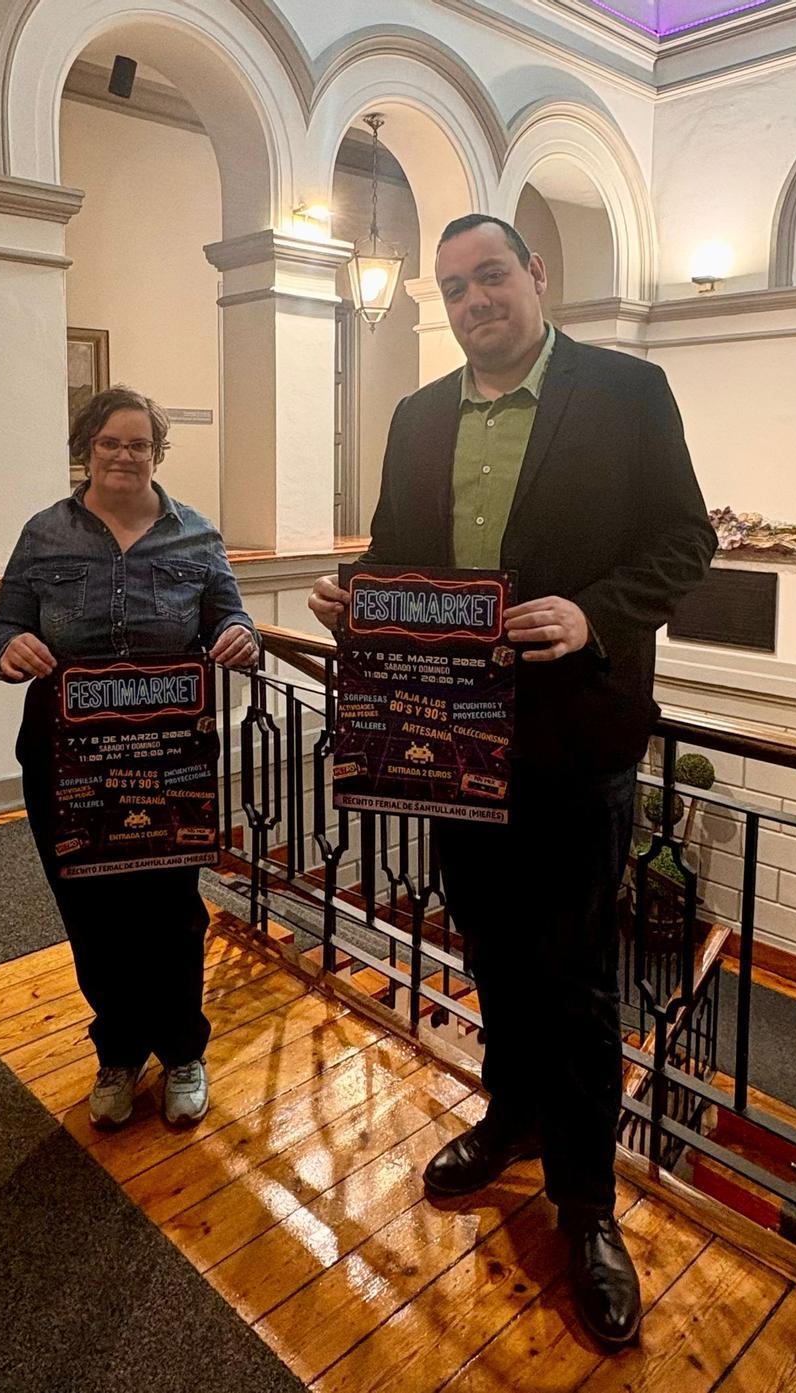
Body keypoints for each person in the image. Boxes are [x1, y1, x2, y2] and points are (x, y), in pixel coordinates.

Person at [308, 214, 716, 1348]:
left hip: (577, 738)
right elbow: (397, 546)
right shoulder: (419, 413)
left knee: (579, 982)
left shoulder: (628, 391)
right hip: (449, 739)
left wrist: (595, 613)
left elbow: (686, 544)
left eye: (492, 274)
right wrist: (351, 591)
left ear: (537, 275)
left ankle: (587, 1207)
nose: (473, 298)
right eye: (454, 285)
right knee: (488, 947)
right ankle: (515, 1120)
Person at [0, 386, 259, 1131]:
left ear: (156, 454)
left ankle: (182, 1051)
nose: (124, 455)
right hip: (66, 756)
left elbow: (231, 614)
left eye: (139, 444)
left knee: (171, 908)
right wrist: (9, 647)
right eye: (110, 442)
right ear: (88, 446)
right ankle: (118, 1048)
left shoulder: (195, 536)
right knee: (92, 906)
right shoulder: (44, 534)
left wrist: (240, 633)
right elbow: (4, 624)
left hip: (169, 758)